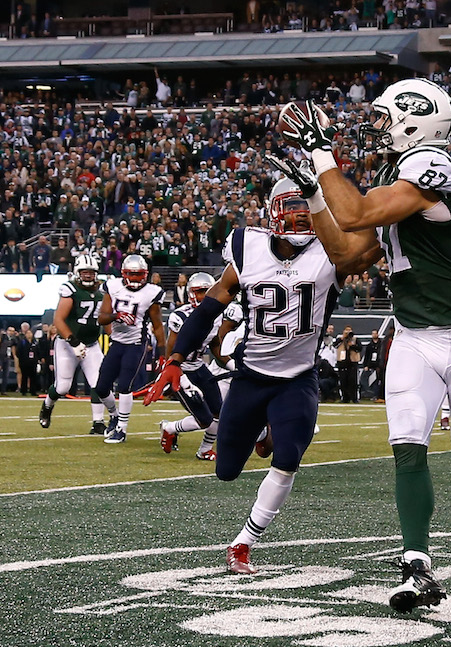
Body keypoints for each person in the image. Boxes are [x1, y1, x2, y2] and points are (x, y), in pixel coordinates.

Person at [272, 77, 451, 614]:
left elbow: (360, 213)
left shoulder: (435, 164)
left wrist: (321, 157)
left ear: (416, 119)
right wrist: (318, 193)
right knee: (407, 445)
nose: (379, 127)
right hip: (411, 332)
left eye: (387, 117)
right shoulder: (395, 173)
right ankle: (418, 565)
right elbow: (348, 254)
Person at [144, 176, 367, 577]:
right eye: (292, 208)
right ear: (274, 213)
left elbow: (368, 239)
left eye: (307, 209)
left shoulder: (331, 253)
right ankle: (264, 432)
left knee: (288, 459)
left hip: (297, 377)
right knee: (227, 469)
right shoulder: (248, 248)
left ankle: (243, 543)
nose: (301, 217)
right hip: (251, 376)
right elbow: (209, 308)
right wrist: (174, 358)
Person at [158, 272, 240, 461]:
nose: (204, 295)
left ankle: (204, 450)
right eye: (201, 291)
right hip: (181, 370)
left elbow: (215, 346)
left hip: (199, 367)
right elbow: (171, 352)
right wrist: (181, 378)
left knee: (220, 413)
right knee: (204, 419)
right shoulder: (180, 316)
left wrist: (232, 365)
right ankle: (170, 428)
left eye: (208, 291)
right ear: (191, 294)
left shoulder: (218, 315)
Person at [39, 254, 114, 434]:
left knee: (99, 384)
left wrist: (115, 338)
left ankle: (100, 421)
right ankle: (47, 406)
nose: (88, 275)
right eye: (84, 272)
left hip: (92, 344)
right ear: (77, 272)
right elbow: (58, 320)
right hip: (67, 344)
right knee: (63, 387)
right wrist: (73, 342)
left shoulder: (103, 290)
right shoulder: (70, 289)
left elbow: (106, 319)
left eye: (91, 272)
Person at [95, 254, 166, 443]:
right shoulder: (113, 286)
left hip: (136, 343)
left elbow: (158, 325)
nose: (134, 278)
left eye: (138, 274)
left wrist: (162, 352)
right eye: (131, 274)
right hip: (117, 342)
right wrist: (115, 316)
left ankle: (122, 430)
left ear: (145, 274)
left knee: (124, 386)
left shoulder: (152, 292)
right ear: (123, 273)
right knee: (101, 387)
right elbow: (102, 317)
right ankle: (114, 415)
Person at [334, 325, 362, 403]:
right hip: (342, 363)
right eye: (347, 331)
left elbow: (360, 348)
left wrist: (352, 346)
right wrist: (342, 338)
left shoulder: (355, 339)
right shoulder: (340, 339)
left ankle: (354, 398)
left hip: (352, 362)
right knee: (343, 381)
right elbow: (334, 345)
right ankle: (345, 398)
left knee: (353, 382)